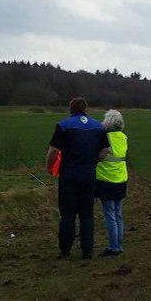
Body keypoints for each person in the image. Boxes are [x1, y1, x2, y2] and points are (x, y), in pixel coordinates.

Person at [46, 97, 110, 259]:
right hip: (89, 176)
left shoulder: (63, 125)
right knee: (87, 214)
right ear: (85, 109)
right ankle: (87, 250)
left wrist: (49, 168)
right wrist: (95, 160)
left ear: (71, 109)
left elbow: (53, 151)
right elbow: (105, 150)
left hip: (69, 176)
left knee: (68, 214)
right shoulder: (98, 126)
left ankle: (65, 250)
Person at [95, 109, 128, 257]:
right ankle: (119, 245)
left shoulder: (104, 138)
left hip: (106, 179)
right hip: (121, 178)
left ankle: (113, 247)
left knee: (109, 215)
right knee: (118, 214)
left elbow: (99, 156)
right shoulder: (123, 137)